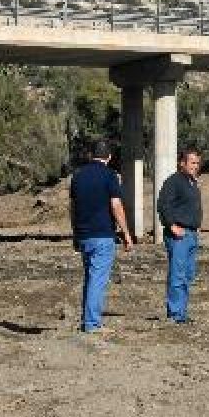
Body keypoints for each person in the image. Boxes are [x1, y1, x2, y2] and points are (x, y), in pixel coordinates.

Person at [69, 140, 133, 333]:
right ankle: (92, 324)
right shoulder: (109, 175)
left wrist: (76, 233)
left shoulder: (78, 176)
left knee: (90, 278)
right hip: (103, 234)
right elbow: (116, 205)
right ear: (109, 157)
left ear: (91, 155)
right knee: (98, 280)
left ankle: (87, 319)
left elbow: (72, 208)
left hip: (84, 235)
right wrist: (126, 233)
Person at [157, 147, 203, 324]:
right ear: (182, 163)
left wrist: (197, 225)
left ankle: (182, 312)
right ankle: (175, 314)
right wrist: (172, 225)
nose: (195, 166)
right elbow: (163, 205)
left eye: (197, 163)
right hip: (179, 236)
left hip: (191, 234)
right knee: (178, 275)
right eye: (192, 162)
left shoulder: (192, 182)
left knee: (188, 275)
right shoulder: (174, 181)